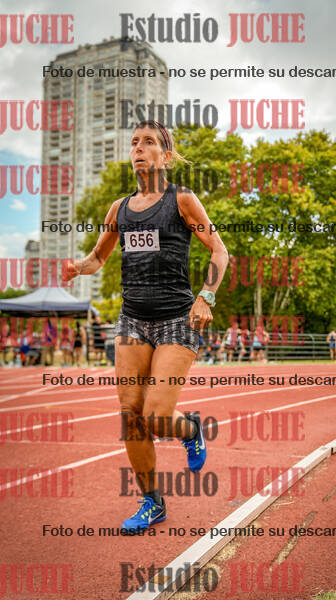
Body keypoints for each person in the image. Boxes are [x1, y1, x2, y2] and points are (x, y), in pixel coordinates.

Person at [64, 120, 229, 532]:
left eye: (149, 142)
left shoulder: (182, 200)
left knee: (156, 416)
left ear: (166, 156)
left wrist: (206, 296)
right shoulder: (119, 209)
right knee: (130, 414)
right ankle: (152, 501)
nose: (138, 148)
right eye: (134, 142)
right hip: (132, 320)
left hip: (176, 319)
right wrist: (77, 267)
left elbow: (219, 250)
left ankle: (190, 429)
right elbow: (99, 257)